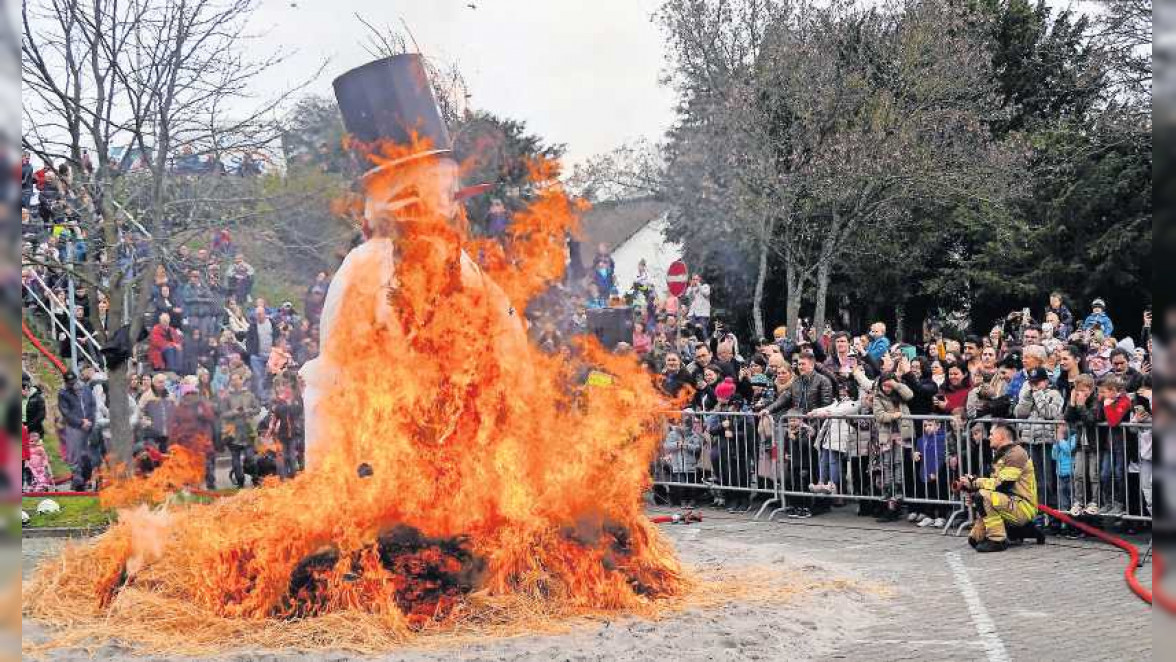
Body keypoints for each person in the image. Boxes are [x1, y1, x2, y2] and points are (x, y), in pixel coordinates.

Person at [958, 424, 1040, 552]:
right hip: (1011, 501)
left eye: (991, 434)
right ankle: (1023, 530)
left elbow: (1003, 484)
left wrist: (974, 483)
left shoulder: (1016, 454)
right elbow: (994, 485)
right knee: (974, 540)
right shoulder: (1003, 454)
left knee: (983, 497)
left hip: (1023, 505)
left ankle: (997, 540)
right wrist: (971, 487)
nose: (989, 437)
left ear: (1001, 436)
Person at [1095, 376, 1131, 517]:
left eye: (1104, 392)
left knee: (1119, 474)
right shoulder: (1105, 401)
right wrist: (1102, 404)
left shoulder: (1125, 401)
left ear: (1113, 390)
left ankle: (1119, 503)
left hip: (1121, 445)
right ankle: (1107, 502)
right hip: (1108, 445)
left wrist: (1107, 405)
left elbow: (1113, 420)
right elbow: (1097, 417)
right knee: (1105, 474)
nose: (1101, 395)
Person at [57, 370, 97, 491]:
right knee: (75, 455)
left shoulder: (86, 389)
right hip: (73, 427)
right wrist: (80, 422)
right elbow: (65, 412)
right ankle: (78, 481)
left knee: (88, 455)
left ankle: (85, 478)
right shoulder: (63, 393)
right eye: (69, 383)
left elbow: (92, 405)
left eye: (73, 382)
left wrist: (89, 420)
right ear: (66, 382)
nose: (72, 384)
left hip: (89, 425)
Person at [220, 373, 260, 488]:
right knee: (235, 459)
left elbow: (257, 408)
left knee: (250, 458)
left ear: (242, 380)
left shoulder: (249, 395)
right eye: (233, 380)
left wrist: (247, 411)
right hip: (233, 432)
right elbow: (223, 414)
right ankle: (240, 480)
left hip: (248, 431)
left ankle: (255, 478)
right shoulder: (227, 397)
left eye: (237, 379)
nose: (235, 382)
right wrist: (234, 412)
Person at [910, 419, 948, 528]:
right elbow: (916, 452)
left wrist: (935, 471)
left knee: (940, 493)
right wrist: (914, 454)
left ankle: (941, 516)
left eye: (930, 425)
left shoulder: (941, 438)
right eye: (925, 425)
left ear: (938, 425)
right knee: (929, 493)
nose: (927, 428)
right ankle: (929, 516)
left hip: (938, 472)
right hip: (925, 471)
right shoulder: (921, 439)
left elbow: (941, 457)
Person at [685, 274, 711, 338]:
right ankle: (694, 342)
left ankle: (704, 343)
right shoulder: (691, 288)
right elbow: (687, 296)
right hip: (693, 313)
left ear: (700, 279)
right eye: (693, 279)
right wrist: (690, 286)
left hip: (702, 313)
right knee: (691, 329)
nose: (695, 281)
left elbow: (706, 293)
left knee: (702, 329)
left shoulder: (705, 286)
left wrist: (698, 285)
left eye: (696, 279)